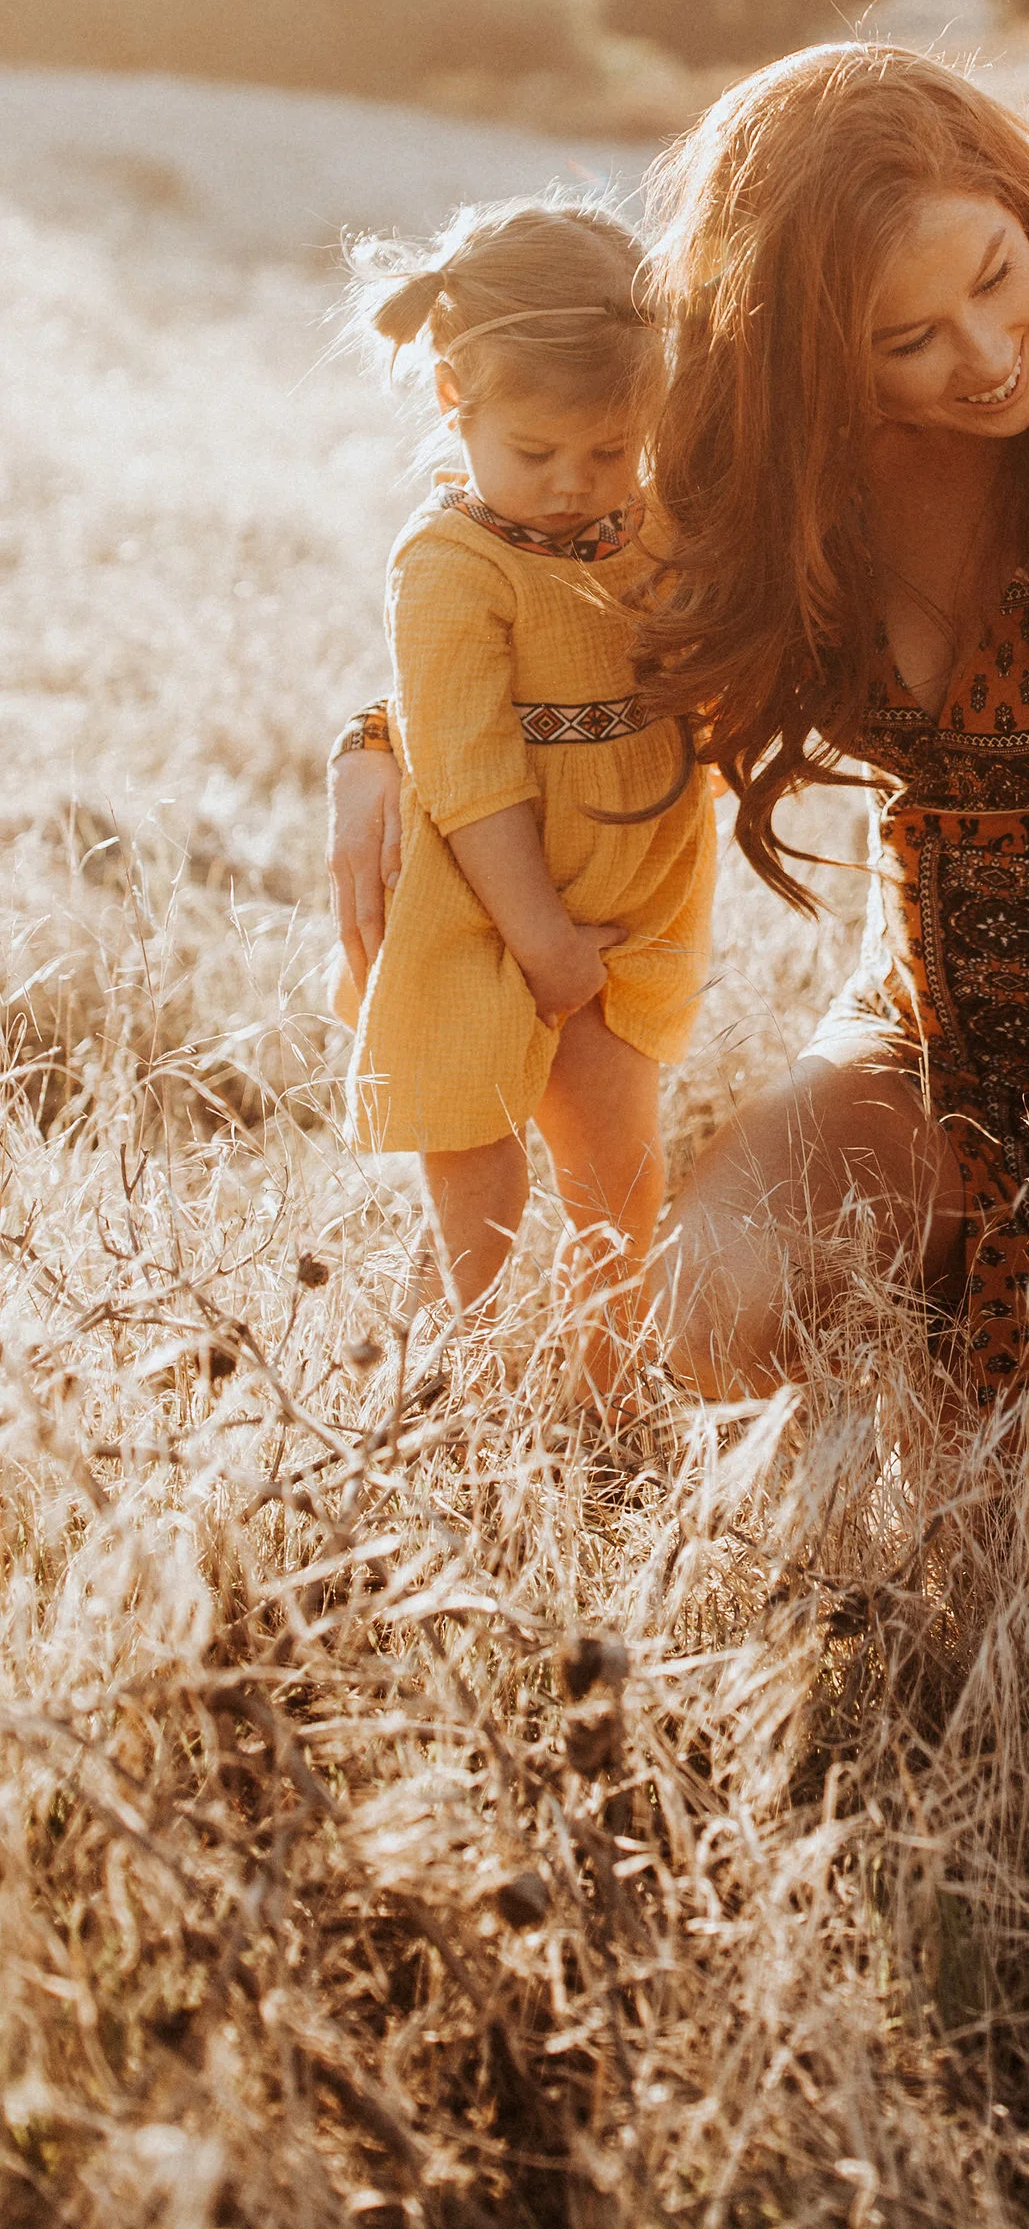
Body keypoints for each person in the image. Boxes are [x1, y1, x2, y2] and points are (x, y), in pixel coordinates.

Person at [327, 47, 1029, 1406]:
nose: (985, 356)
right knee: (701, 1312)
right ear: (808, 350)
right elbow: (534, 593)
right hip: (921, 1041)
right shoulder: (759, 471)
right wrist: (377, 742)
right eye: (908, 340)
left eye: (997, 276)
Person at [333, 199, 716, 1415]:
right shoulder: (451, 564)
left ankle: (604, 1389)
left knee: (618, 1162)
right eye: (537, 451)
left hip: (629, 900)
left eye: (609, 451)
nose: (572, 486)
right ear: (455, 396)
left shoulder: (654, 524)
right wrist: (542, 940)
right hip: (482, 900)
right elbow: (469, 772)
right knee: (478, 1154)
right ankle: (479, 1377)